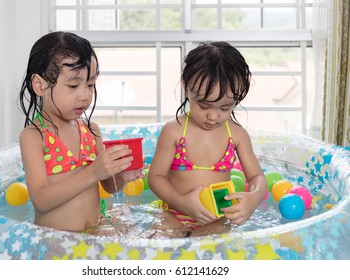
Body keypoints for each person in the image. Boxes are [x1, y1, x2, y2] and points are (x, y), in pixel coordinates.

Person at [19, 32, 143, 233]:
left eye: (91, 84)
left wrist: (121, 175)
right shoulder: (34, 136)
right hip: (58, 242)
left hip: (94, 234)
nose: (85, 95)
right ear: (40, 85)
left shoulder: (91, 130)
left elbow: (108, 186)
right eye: (73, 85)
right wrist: (93, 171)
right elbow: (41, 199)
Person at [148, 41, 267, 236]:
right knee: (160, 247)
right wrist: (182, 203)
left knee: (210, 253)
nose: (213, 116)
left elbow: (257, 177)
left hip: (215, 218)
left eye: (225, 108)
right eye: (204, 106)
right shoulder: (174, 132)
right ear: (187, 89)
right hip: (173, 213)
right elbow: (155, 177)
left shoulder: (236, 135)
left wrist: (253, 199)